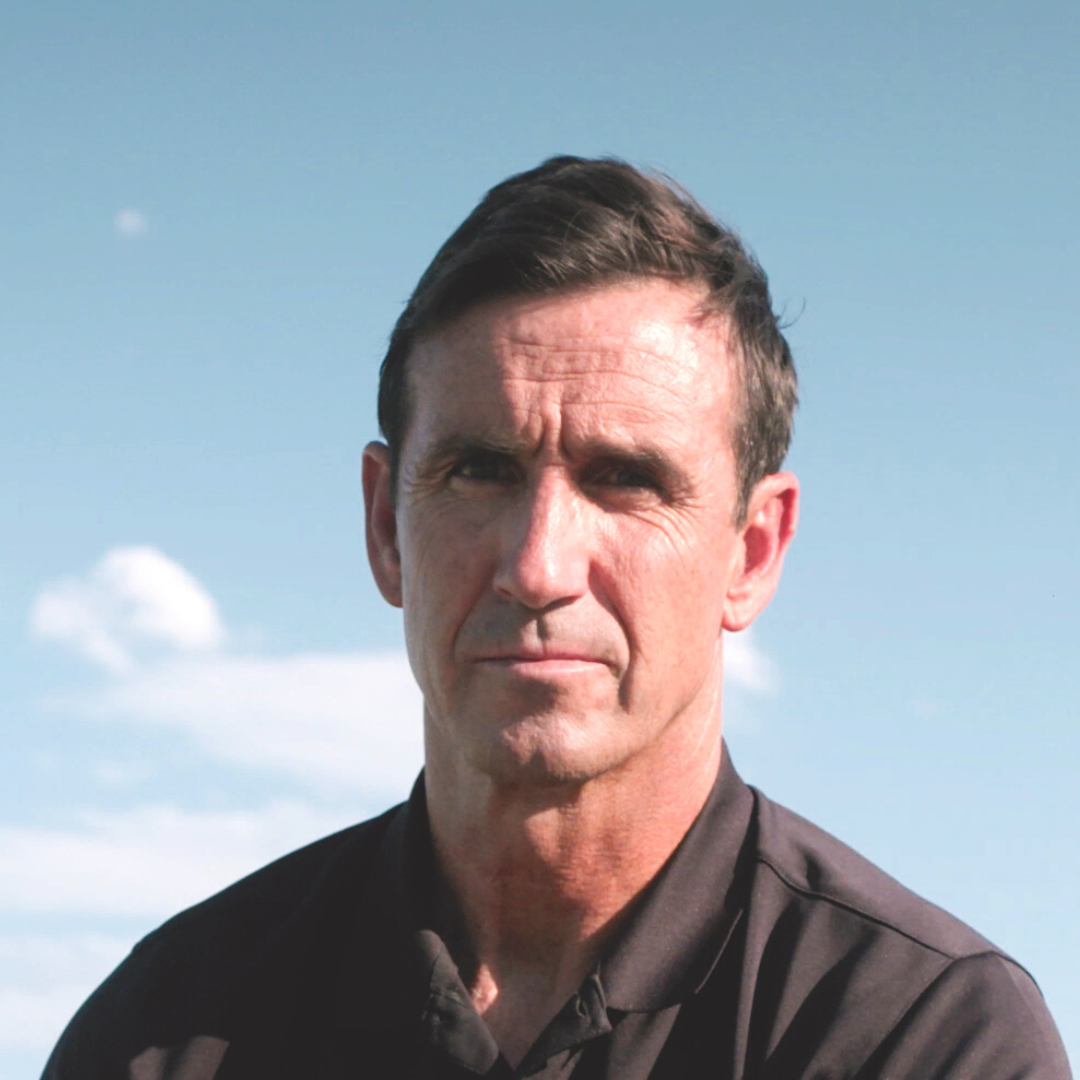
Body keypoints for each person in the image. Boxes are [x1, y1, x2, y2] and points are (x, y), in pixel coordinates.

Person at [43, 156, 1071, 1080]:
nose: (537, 568)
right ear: (385, 527)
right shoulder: (166, 1032)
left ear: (752, 552)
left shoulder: (918, 1038)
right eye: (478, 471)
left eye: (627, 480)